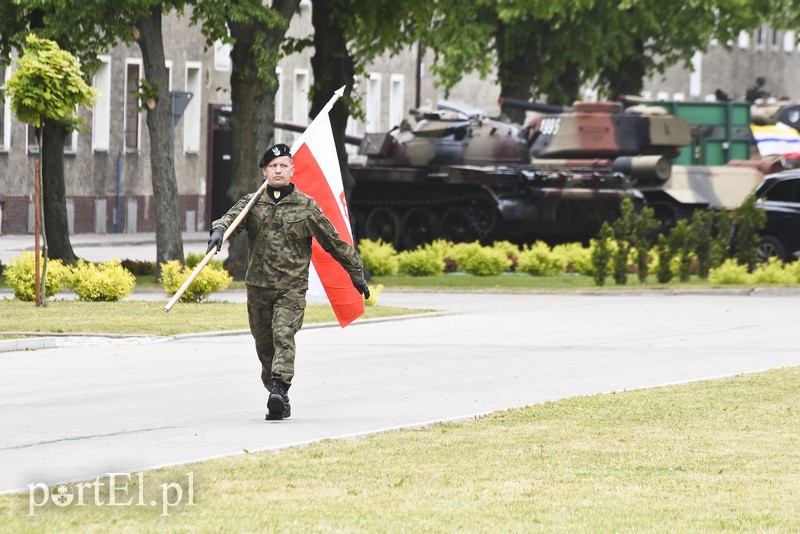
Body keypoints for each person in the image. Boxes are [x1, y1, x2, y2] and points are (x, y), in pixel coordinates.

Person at [207, 143, 370, 421]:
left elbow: (334, 242)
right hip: (258, 288)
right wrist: (219, 231)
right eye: (273, 166)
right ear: (264, 171)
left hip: (291, 289)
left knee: (283, 335)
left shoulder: (306, 207)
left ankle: (280, 389)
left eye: (283, 165)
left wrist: (356, 272)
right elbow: (230, 219)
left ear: (293, 170)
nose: (278, 170)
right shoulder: (253, 202)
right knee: (264, 345)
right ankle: (276, 393)